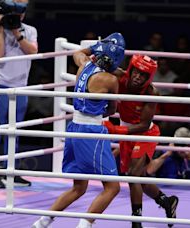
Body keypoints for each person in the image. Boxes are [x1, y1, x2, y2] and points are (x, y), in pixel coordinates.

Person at [31, 33, 126, 228]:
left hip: (73, 128)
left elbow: (79, 52)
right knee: (112, 187)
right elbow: (112, 110)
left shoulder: (83, 65)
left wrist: (98, 46)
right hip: (90, 131)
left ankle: (41, 223)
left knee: (79, 187)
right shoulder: (110, 80)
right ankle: (84, 226)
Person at [103, 55, 178, 228]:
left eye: (143, 75)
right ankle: (167, 202)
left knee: (133, 175)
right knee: (139, 177)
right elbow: (102, 66)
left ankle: (136, 220)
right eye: (137, 72)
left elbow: (144, 125)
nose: (138, 77)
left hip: (145, 133)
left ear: (148, 77)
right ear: (131, 70)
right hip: (126, 132)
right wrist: (96, 55)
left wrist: (116, 130)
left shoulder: (151, 93)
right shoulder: (120, 77)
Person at [0, 0, 38, 188]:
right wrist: (0, 28)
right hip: (0, 84)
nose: (18, 15)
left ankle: (10, 171)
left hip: (20, 86)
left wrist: (17, 33)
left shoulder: (30, 30)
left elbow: (32, 51)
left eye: (21, 11)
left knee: (14, 131)